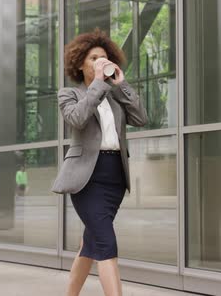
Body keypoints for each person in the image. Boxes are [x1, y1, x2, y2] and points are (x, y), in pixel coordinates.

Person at [53, 28, 147, 296]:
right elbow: (77, 119)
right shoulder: (69, 94)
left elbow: (142, 118)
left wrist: (121, 84)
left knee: (91, 243)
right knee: (106, 243)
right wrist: (97, 83)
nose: (101, 62)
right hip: (87, 180)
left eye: (105, 58)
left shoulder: (116, 96)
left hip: (114, 176)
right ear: (80, 63)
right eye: (94, 58)